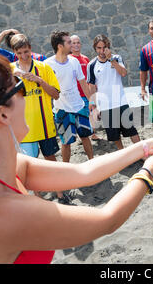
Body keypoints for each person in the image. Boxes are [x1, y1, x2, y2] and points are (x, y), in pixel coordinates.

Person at [0, 50, 153, 264]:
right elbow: (106, 220)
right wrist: (148, 174)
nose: (26, 94)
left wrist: (141, 149)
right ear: (2, 115)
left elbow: (83, 173)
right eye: (19, 87)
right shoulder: (5, 211)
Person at [45, 31, 94, 203]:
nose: (72, 45)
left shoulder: (74, 61)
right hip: (61, 110)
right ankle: (66, 173)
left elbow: (82, 82)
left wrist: (91, 102)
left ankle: (93, 165)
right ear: (60, 46)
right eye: (68, 42)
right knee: (66, 143)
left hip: (79, 106)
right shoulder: (47, 64)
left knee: (86, 137)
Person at [7, 33, 60, 164]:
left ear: (30, 48)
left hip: (44, 126)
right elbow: (4, 99)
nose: (24, 56)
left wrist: (40, 81)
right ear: (14, 52)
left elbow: (56, 95)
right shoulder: (9, 70)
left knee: (51, 161)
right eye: (19, 53)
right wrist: (11, 80)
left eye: (26, 51)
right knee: (28, 164)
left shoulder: (44, 67)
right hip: (22, 128)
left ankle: (58, 185)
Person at [87, 35, 141, 150]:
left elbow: (123, 73)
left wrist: (111, 59)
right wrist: (94, 105)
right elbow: (91, 87)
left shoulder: (116, 58)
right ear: (95, 49)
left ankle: (143, 154)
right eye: (99, 48)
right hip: (105, 106)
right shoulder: (91, 65)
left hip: (121, 102)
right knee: (114, 136)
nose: (102, 51)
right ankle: (122, 155)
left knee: (132, 131)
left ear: (108, 47)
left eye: (104, 47)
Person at [69, 34, 101, 141]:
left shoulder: (85, 58)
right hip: (76, 94)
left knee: (91, 113)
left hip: (87, 92)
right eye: (74, 43)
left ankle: (93, 133)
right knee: (80, 116)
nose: (76, 45)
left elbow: (90, 76)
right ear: (70, 45)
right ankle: (82, 135)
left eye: (78, 42)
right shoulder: (69, 59)